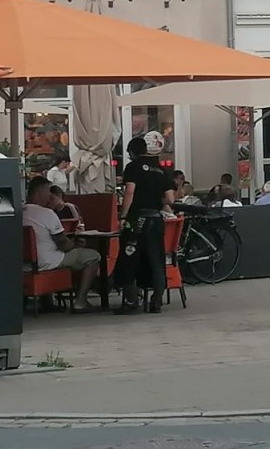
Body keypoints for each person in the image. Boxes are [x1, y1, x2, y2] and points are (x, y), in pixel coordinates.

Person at [113, 132, 175, 314]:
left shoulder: (132, 167)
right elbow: (170, 199)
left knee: (129, 256)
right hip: (156, 219)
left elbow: (130, 192)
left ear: (132, 152)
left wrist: (123, 216)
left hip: (137, 219)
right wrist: (154, 200)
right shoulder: (162, 170)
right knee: (157, 260)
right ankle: (156, 300)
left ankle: (132, 300)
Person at [23, 177, 100, 313]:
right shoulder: (47, 213)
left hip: (26, 263)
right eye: (48, 192)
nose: (50, 195)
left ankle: (47, 302)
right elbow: (63, 245)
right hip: (48, 261)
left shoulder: (19, 212)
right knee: (93, 256)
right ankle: (80, 302)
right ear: (39, 194)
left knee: (48, 250)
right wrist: (76, 245)